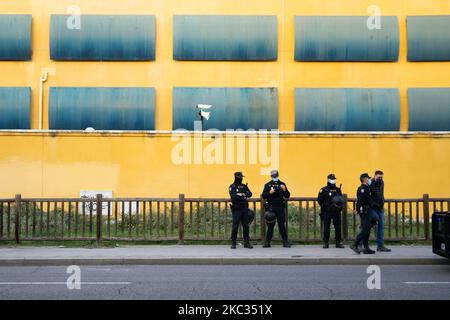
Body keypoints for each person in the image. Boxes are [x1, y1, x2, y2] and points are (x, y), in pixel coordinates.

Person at [350, 173, 379, 255]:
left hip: (368, 211)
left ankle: (366, 248)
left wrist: (375, 204)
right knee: (366, 229)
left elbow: (368, 200)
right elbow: (360, 201)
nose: (369, 180)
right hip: (364, 212)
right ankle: (355, 244)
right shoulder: (362, 189)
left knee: (367, 230)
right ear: (365, 179)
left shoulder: (367, 188)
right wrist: (357, 209)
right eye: (368, 178)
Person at [262, 170, 291, 248]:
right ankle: (267, 242)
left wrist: (284, 189)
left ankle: (285, 242)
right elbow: (264, 195)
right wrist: (270, 193)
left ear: (278, 175)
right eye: (273, 176)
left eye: (275, 176)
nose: (274, 177)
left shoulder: (282, 184)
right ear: (271, 176)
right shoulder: (268, 185)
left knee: (282, 225)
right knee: (270, 226)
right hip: (271, 208)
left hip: (280, 207)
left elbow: (288, 195)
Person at [317, 174, 345, 249]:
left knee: (338, 227)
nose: (333, 180)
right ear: (328, 180)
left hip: (336, 211)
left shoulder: (338, 189)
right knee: (326, 227)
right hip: (327, 211)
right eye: (332, 179)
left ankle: (338, 242)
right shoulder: (323, 190)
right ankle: (326, 242)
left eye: (334, 179)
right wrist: (326, 205)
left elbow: (341, 200)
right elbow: (319, 200)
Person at [229, 172, 253, 249]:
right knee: (235, 226)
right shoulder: (232, 186)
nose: (241, 178)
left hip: (244, 209)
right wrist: (243, 195)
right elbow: (233, 197)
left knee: (246, 226)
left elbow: (250, 194)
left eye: (242, 177)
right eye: (240, 177)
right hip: (236, 209)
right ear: (236, 177)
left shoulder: (244, 186)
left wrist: (240, 194)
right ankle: (233, 243)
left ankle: (247, 243)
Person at [370, 170, 391, 252]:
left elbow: (380, 194)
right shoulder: (371, 183)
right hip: (373, 208)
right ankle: (360, 243)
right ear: (374, 176)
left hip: (380, 208)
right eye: (379, 177)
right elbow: (374, 191)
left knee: (381, 227)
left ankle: (380, 246)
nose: (380, 178)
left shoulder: (382, 182)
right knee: (368, 226)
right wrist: (375, 181)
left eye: (381, 177)